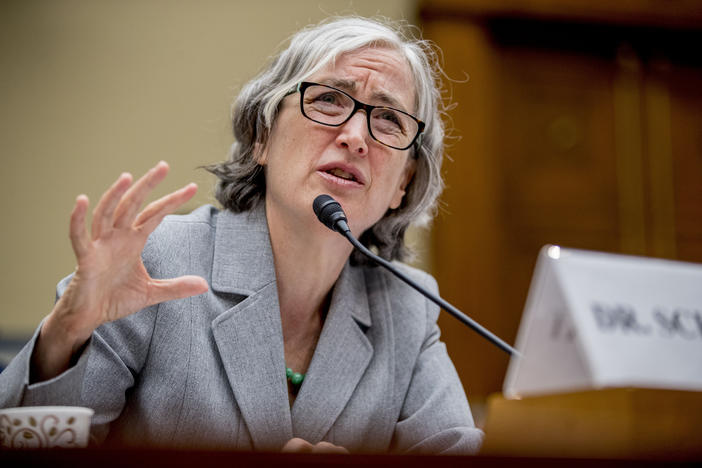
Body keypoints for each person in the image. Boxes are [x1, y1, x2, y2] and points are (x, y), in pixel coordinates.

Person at [0, 16, 482, 454]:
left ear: (403, 182)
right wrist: (65, 334)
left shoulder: (406, 308)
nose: (356, 135)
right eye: (329, 100)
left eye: (388, 119)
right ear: (262, 136)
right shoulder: (160, 260)